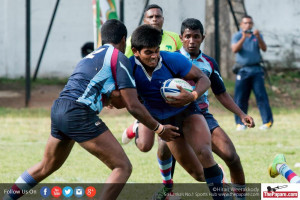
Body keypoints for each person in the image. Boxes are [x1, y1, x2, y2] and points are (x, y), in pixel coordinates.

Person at [3, 19, 180, 200]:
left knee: (46, 165)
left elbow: (106, 94)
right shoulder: (119, 58)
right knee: (122, 167)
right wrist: (159, 128)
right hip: (78, 113)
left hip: (59, 108)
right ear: (124, 39)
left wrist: (109, 98)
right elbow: (132, 105)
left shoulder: (92, 56)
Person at [128, 24, 227, 200]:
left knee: (205, 153)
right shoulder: (129, 68)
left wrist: (193, 95)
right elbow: (127, 100)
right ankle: (215, 174)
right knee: (198, 174)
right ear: (135, 51)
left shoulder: (172, 59)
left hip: (187, 112)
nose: (154, 56)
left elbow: (203, 78)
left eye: (156, 50)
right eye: (148, 52)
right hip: (164, 122)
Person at [231, 15, 273, 131]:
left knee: (261, 96)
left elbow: (264, 48)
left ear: (252, 24)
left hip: (256, 71)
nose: (247, 25)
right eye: (245, 23)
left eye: (250, 23)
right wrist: (243, 38)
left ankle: (267, 122)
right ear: (241, 25)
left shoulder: (257, 35)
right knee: (240, 98)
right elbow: (234, 49)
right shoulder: (238, 36)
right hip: (243, 70)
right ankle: (241, 123)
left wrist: (259, 37)